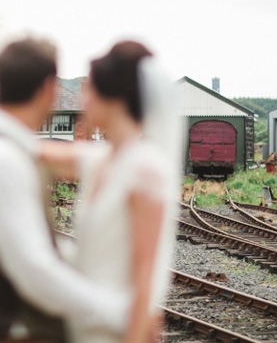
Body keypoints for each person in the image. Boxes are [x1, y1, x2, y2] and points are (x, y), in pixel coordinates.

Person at [0, 37, 130, 342]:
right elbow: (35, 270)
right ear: (49, 89)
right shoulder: (0, 160)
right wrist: (115, 312)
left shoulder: (5, 150)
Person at [38, 41, 181, 342]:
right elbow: (36, 151)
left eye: (90, 91)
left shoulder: (145, 170)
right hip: (85, 327)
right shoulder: (101, 159)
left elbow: (145, 277)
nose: (83, 100)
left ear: (114, 100)